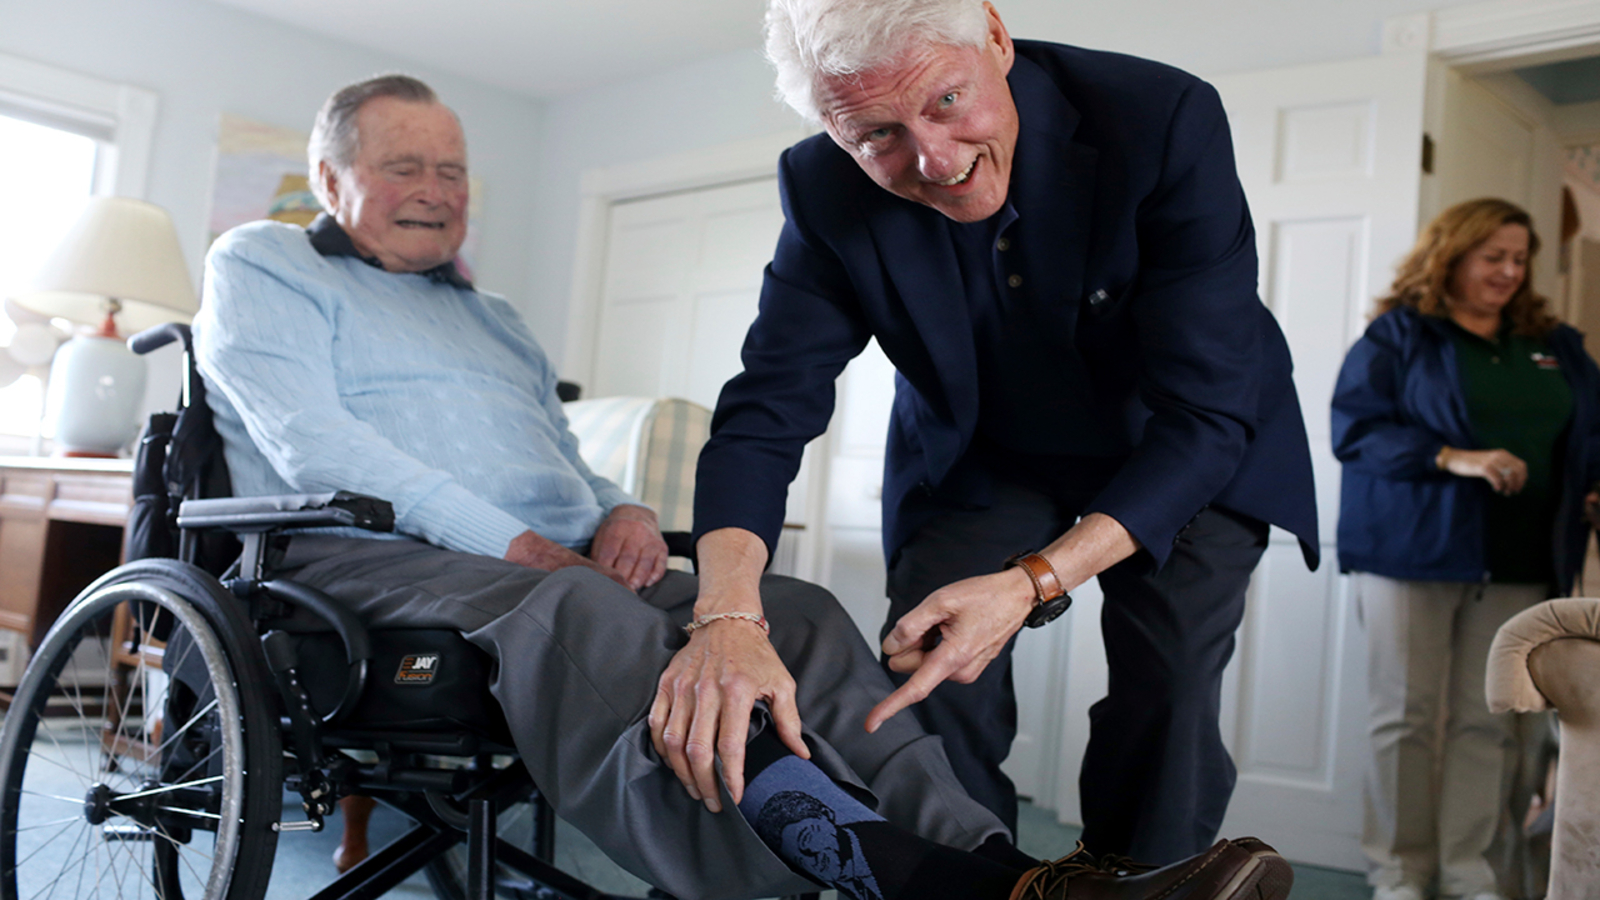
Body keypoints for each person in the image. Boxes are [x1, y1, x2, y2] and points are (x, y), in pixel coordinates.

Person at [195, 73, 1294, 900]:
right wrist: (530, 545)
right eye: (403, 169)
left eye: (451, 171)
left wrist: (617, 511)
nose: (435, 194)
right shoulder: (262, 262)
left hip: (537, 559)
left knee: (798, 613)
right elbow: (318, 446)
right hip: (361, 555)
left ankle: (1009, 878)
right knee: (574, 605)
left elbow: (557, 457)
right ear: (331, 177)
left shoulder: (492, 318)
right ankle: (884, 878)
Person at [680, 0, 1320, 865]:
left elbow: (1206, 412)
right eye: (876, 135)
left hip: (1181, 436)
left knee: (1166, 682)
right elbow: (768, 406)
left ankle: (1137, 883)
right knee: (929, 668)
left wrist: (1030, 585)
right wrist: (725, 615)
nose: (933, 162)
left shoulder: (1160, 117)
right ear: (836, 133)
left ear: (994, 36)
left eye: (946, 101)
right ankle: (972, 882)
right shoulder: (823, 186)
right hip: (984, 454)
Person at [1330, 197, 1600, 900]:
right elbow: (1355, 431)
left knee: (1490, 722)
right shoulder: (1400, 336)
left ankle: (1467, 871)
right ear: (1451, 256)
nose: (1509, 271)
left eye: (1519, 259)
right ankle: (1398, 870)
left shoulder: (1556, 344)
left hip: (1523, 558)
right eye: (1493, 257)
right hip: (1411, 553)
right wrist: (1455, 456)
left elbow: (1591, 436)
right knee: (1406, 718)